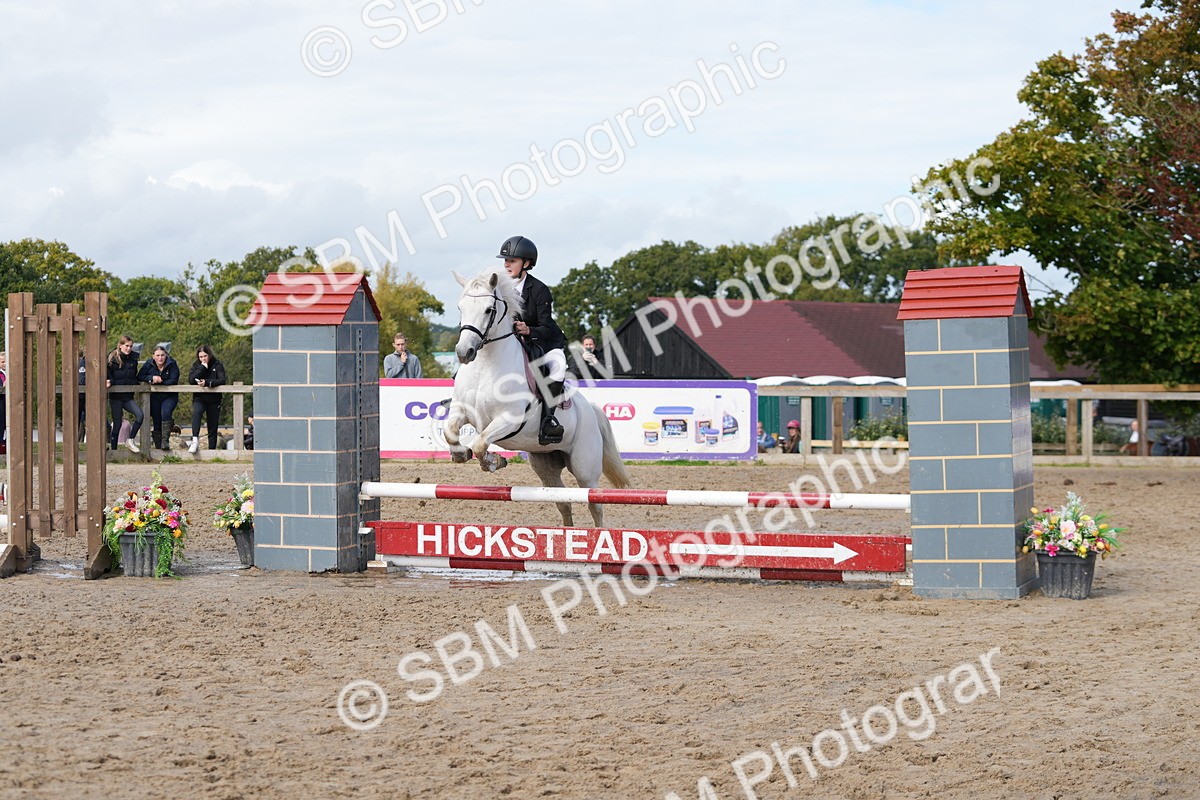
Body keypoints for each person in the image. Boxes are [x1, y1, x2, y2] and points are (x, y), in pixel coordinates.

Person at [498, 235, 567, 445]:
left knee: (559, 366)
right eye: (506, 260)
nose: (507, 264)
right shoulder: (498, 287)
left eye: (512, 261)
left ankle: (548, 420)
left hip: (543, 342)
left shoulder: (539, 290)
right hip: (510, 342)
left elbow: (546, 326)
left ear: (526, 263)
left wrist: (528, 329)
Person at [106, 335, 144, 453]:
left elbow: (134, 375)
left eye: (130, 346)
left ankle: (130, 439)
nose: (128, 348)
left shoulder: (134, 358)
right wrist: (109, 380)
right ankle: (114, 451)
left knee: (140, 415)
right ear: (120, 345)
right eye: (126, 346)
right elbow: (108, 373)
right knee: (117, 424)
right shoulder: (112, 358)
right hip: (115, 396)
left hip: (128, 396)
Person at [138, 344, 180, 449]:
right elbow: (140, 376)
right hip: (155, 396)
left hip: (169, 395)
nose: (160, 358)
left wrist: (160, 381)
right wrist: (151, 378)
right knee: (156, 419)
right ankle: (158, 446)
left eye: (162, 355)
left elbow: (174, 379)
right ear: (153, 356)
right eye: (158, 355)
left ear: (166, 355)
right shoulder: (149, 364)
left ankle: (165, 441)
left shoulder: (172, 364)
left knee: (165, 413)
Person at [187, 345, 227, 453]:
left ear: (209, 355)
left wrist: (208, 383)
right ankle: (195, 440)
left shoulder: (217, 364)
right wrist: (202, 368)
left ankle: (212, 450)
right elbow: (191, 379)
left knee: (213, 424)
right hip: (199, 398)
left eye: (205, 356)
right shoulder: (196, 365)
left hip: (214, 399)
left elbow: (222, 380)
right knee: (197, 412)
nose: (203, 359)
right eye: (201, 357)